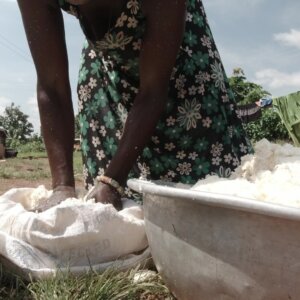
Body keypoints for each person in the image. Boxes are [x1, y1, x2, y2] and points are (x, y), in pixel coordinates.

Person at [17, 0, 252, 210]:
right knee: (105, 206)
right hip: (109, 57)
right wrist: (62, 187)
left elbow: (153, 88)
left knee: (201, 196)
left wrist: (112, 180)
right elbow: (51, 86)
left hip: (180, 55)